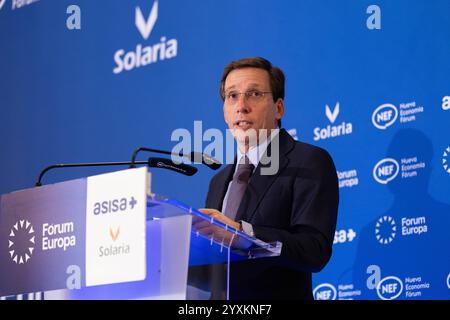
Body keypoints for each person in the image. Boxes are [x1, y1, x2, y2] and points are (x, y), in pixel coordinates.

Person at [195, 57, 339, 300]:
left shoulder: (308, 161)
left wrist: (243, 234)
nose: (241, 105)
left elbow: (314, 250)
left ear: (279, 108)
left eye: (253, 94)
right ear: (225, 112)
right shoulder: (218, 181)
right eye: (232, 96)